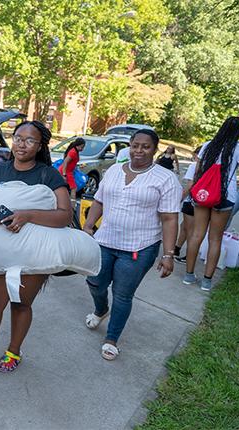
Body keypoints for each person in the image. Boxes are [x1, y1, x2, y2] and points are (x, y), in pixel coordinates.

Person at [0, 121, 72, 380]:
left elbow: (65, 215)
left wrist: (27, 215)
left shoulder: (49, 175)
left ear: (40, 146)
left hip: (33, 253)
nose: (21, 144)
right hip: (0, 250)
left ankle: (14, 351)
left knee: (21, 304)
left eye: (29, 140)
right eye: (18, 138)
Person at [82, 129, 181, 361]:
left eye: (145, 146)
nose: (139, 150)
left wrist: (168, 254)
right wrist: (88, 226)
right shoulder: (115, 170)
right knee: (94, 282)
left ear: (155, 149)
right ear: (130, 146)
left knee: (122, 294)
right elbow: (99, 201)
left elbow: (169, 218)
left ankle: (112, 338)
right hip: (105, 241)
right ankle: (100, 309)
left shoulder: (165, 179)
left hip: (140, 247)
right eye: (135, 145)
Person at [184, 117, 239, 291]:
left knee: (196, 234)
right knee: (215, 238)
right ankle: (207, 281)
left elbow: (198, 171)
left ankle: (189, 275)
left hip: (203, 194)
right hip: (224, 197)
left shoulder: (207, 145)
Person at [174, 146, 202, 263]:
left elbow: (190, 185)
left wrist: (179, 199)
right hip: (202, 200)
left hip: (191, 200)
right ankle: (176, 249)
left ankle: (189, 257)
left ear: (197, 155)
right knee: (184, 225)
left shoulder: (194, 166)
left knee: (191, 230)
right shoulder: (211, 165)